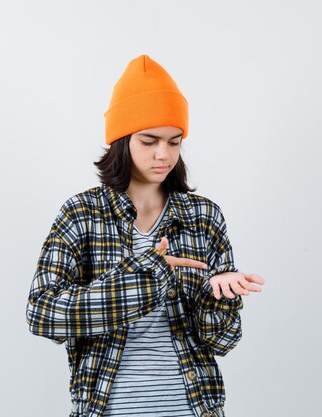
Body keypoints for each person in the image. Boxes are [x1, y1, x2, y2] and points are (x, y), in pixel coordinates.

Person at [26, 54, 265, 417]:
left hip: (194, 408)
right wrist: (145, 275)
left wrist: (220, 296)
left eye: (174, 142)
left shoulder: (203, 216)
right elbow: (42, 313)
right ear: (122, 140)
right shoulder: (82, 214)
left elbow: (223, 340)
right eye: (149, 140)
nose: (162, 154)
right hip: (108, 408)